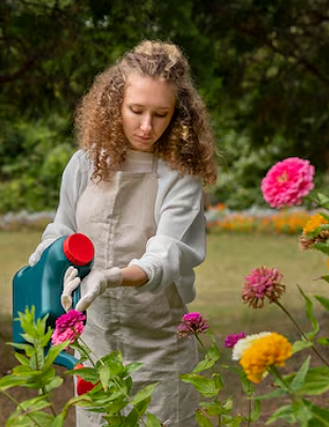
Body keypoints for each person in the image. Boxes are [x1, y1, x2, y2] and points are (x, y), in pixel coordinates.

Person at [28, 40, 217, 427]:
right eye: (136, 111)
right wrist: (48, 253)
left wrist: (112, 276)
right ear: (115, 102)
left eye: (161, 114)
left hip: (159, 349)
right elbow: (64, 226)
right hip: (94, 343)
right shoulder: (85, 164)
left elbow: (164, 257)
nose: (147, 127)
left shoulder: (179, 175)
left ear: (177, 115)